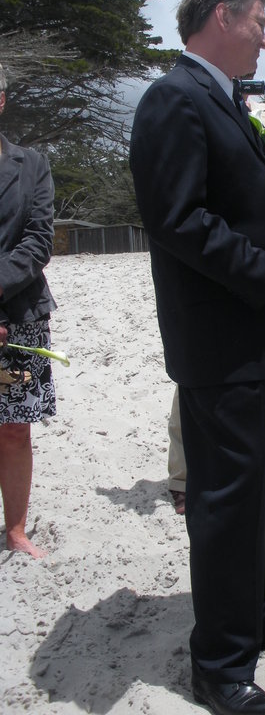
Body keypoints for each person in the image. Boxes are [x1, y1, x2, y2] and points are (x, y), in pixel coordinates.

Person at [129, 0, 265, 715]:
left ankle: (255, 623)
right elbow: (176, 220)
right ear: (223, 16)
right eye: (259, 24)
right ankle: (218, 668)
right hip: (222, 342)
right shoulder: (174, 98)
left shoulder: (227, 101)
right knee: (226, 506)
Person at [166, 96, 265, 516]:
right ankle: (183, 475)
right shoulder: (200, 107)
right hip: (232, 261)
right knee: (198, 378)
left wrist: (252, 124)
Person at [0, 61, 58, 560]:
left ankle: (15, 529)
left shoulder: (31, 164)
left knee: (15, 428)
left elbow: (39, 241)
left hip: (20, 315)